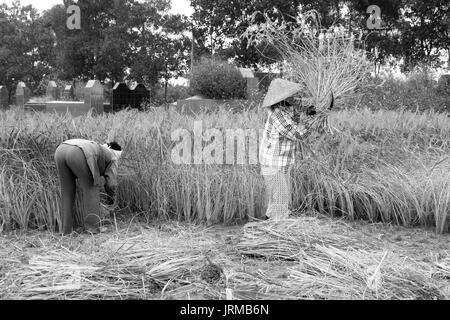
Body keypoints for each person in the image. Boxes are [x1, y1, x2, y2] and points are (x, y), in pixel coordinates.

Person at [259, 78, 320, 221]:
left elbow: (299, 112)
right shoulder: (277, 115)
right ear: (282, 98)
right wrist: (315, 120)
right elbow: (297, 134)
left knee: (276, 199)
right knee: (281, 198)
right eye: (290, 95)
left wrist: (311, 110)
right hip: (273, 164)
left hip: (280, 162)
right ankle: (277, 231)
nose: (294, 97)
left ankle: (267, 223)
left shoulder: (287, 109)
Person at [54, 139, 123, 235]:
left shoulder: (100, 147)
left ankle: (66, 230)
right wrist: (112, 199)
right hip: (78, 153)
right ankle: (93, 228)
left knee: (67, 190)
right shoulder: (114, 156)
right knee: (91, 188)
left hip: (60, 150)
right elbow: (111, 184)